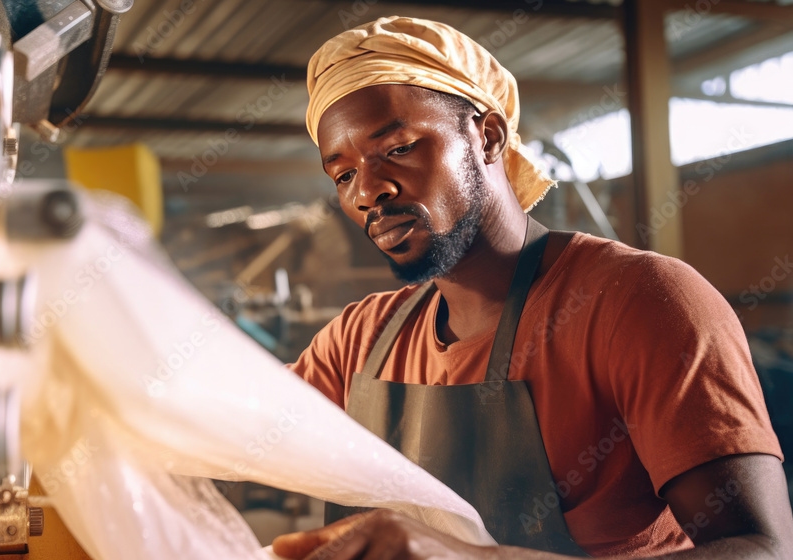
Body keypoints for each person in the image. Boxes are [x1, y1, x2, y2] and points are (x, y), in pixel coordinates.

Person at [273, 16, 792, 560]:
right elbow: (219, 426)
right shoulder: (359, 340)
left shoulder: (637, 300)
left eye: (398, 148)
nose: (368, 191)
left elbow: (762, 549)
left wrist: (474, 557)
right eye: (343, 174)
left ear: (488, 136)